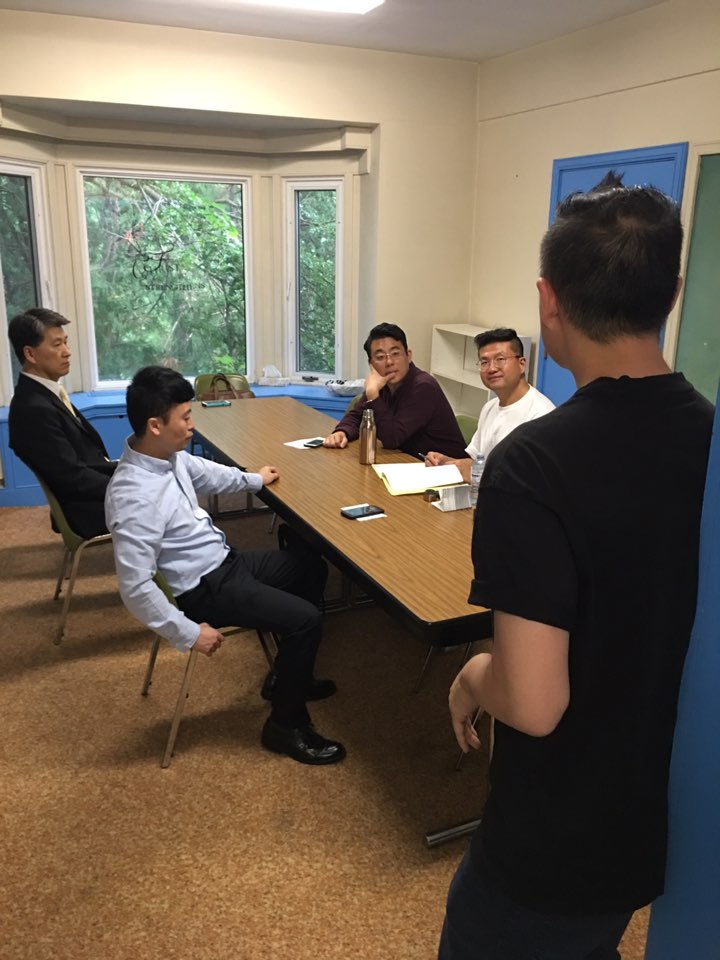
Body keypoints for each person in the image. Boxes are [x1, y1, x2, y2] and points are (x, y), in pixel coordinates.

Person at [438, 176, 714, 959]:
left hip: (554, 839)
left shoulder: (534, 463)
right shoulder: (710, 438)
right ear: (672, 294)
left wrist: (473, 676)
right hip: (664, 808)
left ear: (547, 301)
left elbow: (532, 703)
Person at [105, 365, 345, 766]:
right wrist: (187, 633)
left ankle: (288, 676)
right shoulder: (133, 495)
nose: (192, 425)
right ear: (155, 425)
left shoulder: (167, 457)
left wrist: (254, 480)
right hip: (201, 590)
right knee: (305, 621)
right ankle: (284, 725)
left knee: (311, 569)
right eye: (185, 417)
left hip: (224, 562)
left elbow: (207, 473)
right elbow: (135, 586)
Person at [8, 307, 116, 538]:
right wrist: (128, 487)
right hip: (86, 510)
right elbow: (72, 477)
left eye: (66, 342)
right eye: (57, 345)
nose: (67, 352)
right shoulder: (33, 408)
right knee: (167, 498)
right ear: (30, 354)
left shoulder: (44, 394)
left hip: (92, 494)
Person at [425, 327, 554, 481]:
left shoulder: (541, 415)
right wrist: (447, 463)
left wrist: (473, 475)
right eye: (484, 362)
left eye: (500, 359)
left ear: (522, 364)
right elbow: (477, 464)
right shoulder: (490, 407)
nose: (491, 368)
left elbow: (530, 482)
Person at [324, 322, 466, 459]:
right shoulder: (383, 383)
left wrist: (373, 394)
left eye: (395, 354)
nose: (389, 362)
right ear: (371, 363)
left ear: (408, 356)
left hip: (446, 469)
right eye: (380, 357)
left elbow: (392, 439)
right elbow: (357, 416)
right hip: (408, 461)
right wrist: (342, 432)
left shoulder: (424, 386)